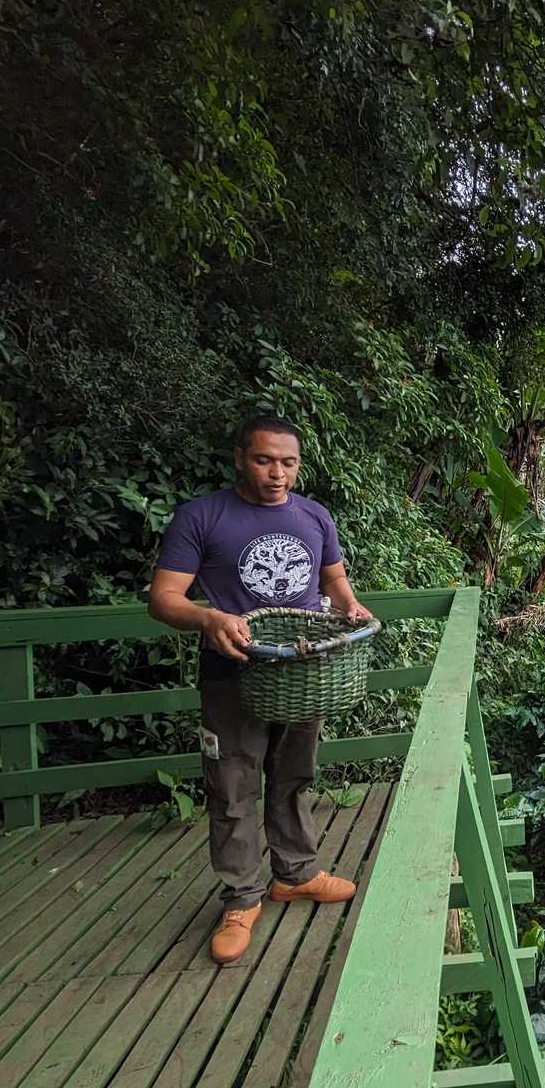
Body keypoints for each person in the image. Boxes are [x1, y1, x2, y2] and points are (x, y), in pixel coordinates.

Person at [148, 413, 373, 964]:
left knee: (294, 774)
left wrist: (350, 606)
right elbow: (163, 597)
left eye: (288, 462)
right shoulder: (202, 516)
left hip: (302, 673)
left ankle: (295, 874)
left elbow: (333, 579)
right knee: (232, 783)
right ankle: (241, 898)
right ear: (240, 459)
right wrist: (208, 619)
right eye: (264, 460)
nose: (277, 473)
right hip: (234, 673)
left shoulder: (315, 516)